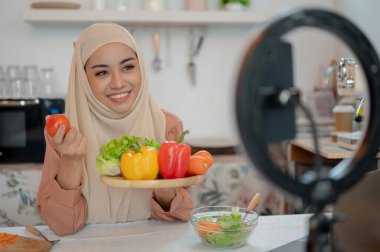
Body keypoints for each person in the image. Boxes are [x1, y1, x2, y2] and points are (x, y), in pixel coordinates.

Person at [36, 23, 194, 236]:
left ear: (141, 69)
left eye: (128, 67)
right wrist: (71, 160)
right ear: (83, 80)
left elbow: (179, 217)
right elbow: (63, 225)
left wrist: (164, 188)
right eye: (102, 72)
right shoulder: (64, 133)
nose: (118, 83)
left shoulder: (168, 125)